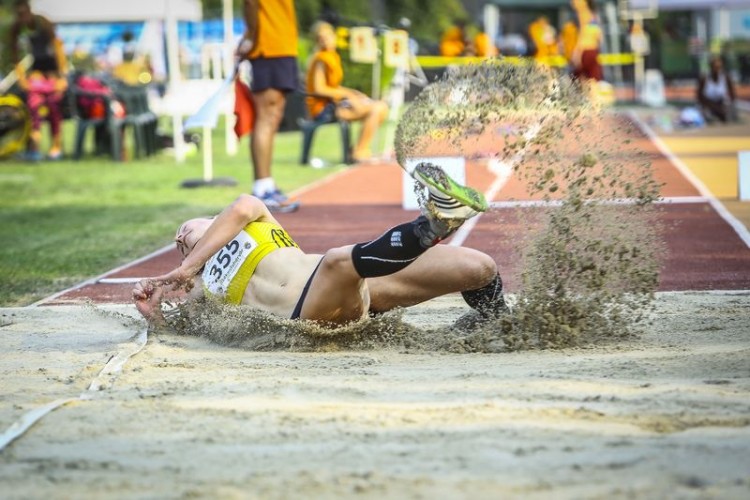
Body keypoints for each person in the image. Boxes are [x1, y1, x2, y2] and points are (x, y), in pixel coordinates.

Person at [132, 164, 508, 328]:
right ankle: (433, 225)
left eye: (188, 231)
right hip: (308, 312)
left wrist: (183, 265)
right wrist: (156, 313)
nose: (182, 237)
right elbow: (188, 333)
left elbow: (242, 205)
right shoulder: (201, 290)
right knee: (339, 259)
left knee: (478, 267)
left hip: (353, 290)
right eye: (181, 243)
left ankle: (500, 323)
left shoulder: (254, 219)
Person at [236, 0, 301, 213]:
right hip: (268, 47)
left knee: (273, 117)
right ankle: (262, 188)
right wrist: (252, 38)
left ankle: (267, 186)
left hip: (282, 46)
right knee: (267, 115)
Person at [306, 21, 389, 163]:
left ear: (334, 36)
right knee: (377, 109)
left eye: (328, 36)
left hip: (335, 103)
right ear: (317, 41)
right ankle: (359, 152)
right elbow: (320, 89)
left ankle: (359, 149)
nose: (325, 40)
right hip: (324, 109)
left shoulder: (333, 56)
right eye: (321, 38)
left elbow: (334, 86)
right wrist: (348, 96)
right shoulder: (321, 58)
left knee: (380, 107)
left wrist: (354, 93)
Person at [8, 0, 69, 161]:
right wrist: (21, 78)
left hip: (52, 70)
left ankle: (56, 146)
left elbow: (58, 46)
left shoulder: (43, 22)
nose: (22, 18)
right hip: (37, 70)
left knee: (54, 105)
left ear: (29, 10)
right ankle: (34, 146)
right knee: (33, 104)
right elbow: (14, 55)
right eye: (18, 15)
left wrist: (62, 76)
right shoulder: (17, 28)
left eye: (24, 13)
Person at [570, 0, 603, 81]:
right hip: (593, 49)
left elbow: (582, 34)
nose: (573, 2)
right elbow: (599, 36)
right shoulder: (593, 15)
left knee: (578, 82)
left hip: (585, 52)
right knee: (592, 81)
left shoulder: (582, 14)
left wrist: (577, 53)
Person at [697, 56, 737, 124]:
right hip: (708, 104)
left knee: (727, 113)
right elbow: (699, 96)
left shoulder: (726, 77)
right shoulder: (704, 78)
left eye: (719, 67)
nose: (717, 69)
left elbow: (732, 94)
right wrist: (714, 107)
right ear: (711, 67)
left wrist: (729, 105)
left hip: (722, 104)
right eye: (715, 67)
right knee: (708, 116)